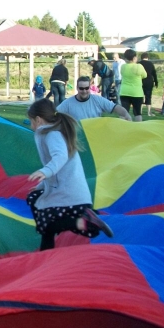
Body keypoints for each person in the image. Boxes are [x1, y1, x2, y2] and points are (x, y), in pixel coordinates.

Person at [25, 99, 114, 251]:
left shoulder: (52, 135)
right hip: (68, 191)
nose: (31, 124)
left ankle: (82, 221)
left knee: (45, 221)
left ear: (38, 120)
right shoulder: (52, 133)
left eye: (31, 121)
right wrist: (42, 184)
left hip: (69, 194)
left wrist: (44, 172)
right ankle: (45, 253)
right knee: (44, 220)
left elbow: (60, 157)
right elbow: (58, 170)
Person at [56, 76, 132, 122]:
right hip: (77, 137)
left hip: (94, 136)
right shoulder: (68, 103)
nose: (84, 91)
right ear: (77, 88)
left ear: (90, 88)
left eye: (86, 88)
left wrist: (126, 114)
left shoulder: (97, 100)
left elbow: (114, 107)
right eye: (81, 88)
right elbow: (55, 115)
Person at [119, 49, 148, 122]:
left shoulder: (123, 67)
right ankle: (138, 129)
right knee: (137, 113)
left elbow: (122, 74)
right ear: (134, 57)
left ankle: (122, 128)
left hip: (124, 92)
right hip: (136, 93)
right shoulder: (139, 66)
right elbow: (145, 75)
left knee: (124, 112)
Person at [139, 52, 158, 117]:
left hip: (140, 81)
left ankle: (140, 112)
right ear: (147, 57)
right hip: (149, 81)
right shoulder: (151, 64)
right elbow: (154, 74)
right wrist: (156, 82)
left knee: (140, 96)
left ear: (141, 57)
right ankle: (149, 112)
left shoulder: (139, 64)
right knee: (148, 96)